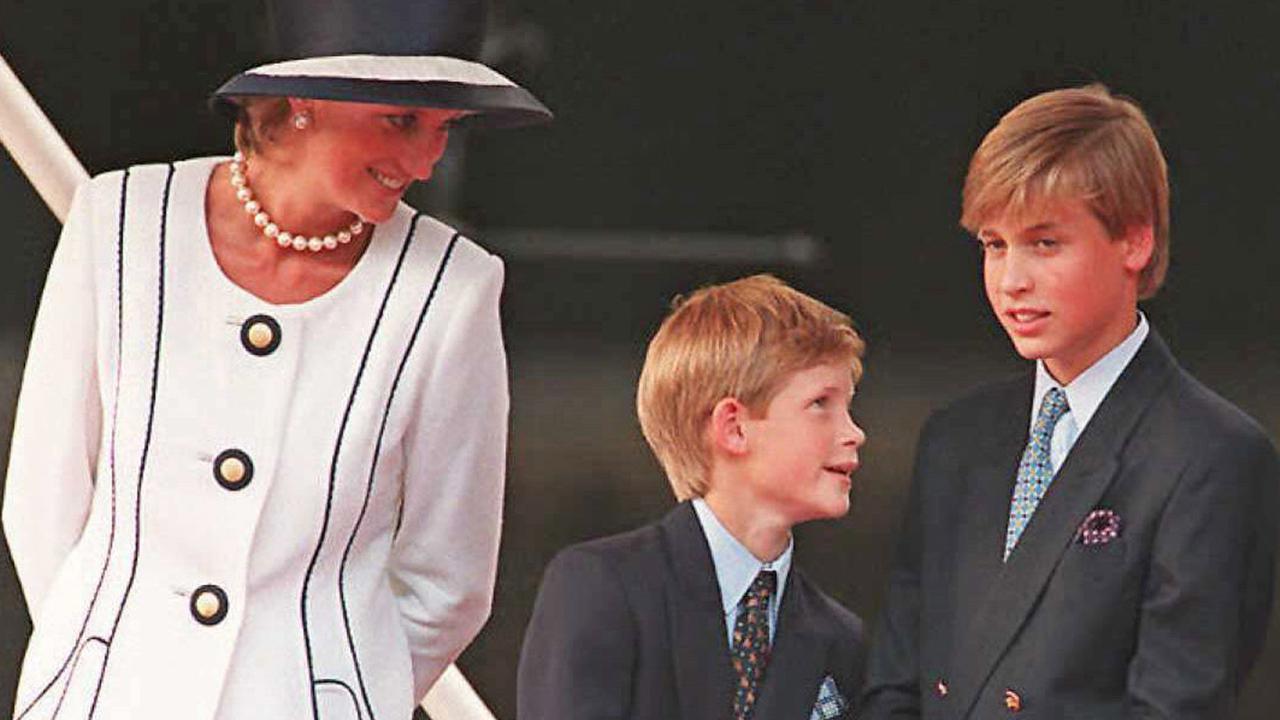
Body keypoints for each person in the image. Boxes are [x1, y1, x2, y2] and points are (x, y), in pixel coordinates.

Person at [1, 0, 551, 717]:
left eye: (444, 129)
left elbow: (449, 581)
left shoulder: (452, 288)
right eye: (401, 120)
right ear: (304, 100)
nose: (425, 162)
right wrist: (100, 661)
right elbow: (43, 501)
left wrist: (340, 694)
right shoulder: (118, 222)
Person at [862, 84, 1279, 719]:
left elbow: (1175, 706)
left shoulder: (1211, 456)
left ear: (1134, 243)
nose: (1011, 280)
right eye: (994, 245)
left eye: (1045, 243)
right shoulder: (955, 438)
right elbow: (895, 684)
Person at [517, 274, 867, 720]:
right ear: (734, 427)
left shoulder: (840, 638)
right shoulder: (603, 587)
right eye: (821, 403)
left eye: (848, 406)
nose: (854, 433)